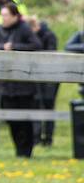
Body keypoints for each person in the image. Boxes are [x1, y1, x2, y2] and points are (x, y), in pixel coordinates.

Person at [0, 2, 41, 158]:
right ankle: (18, 151)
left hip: (24, 85)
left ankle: (27, 151)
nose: (3, 18)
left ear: (15, 16)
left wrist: (15, 47)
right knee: (12, 120)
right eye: (2, 15)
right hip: (6, 84)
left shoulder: (24, 28)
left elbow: (36, 44)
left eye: (6, 15)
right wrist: (3, 47)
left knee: (25, 120)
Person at [27, 15, 59, 146]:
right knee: (37, 104)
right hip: (37, 76)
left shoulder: (49, 36)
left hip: (51, 76)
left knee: (48, 105)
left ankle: (48, 138)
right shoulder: (34, 37)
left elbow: (50, 54)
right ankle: (36, 137)